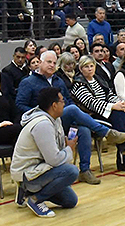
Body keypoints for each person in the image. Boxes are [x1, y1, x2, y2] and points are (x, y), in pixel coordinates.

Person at [16, 51, 125, 185]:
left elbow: (68, 100)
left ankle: (85, 170)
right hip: (42, 124)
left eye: (54, 62)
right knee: (74, 110)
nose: (52, 65)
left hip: (61, 122)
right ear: (40, 63)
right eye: (48, 62)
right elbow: (20, 105)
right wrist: (43, 114)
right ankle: (106, 132)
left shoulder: (58, 81)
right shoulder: (28, 82)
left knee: (83, 130)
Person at [10, 87, 79, 218]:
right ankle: (35, 199)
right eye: (62, 101)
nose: (64, 104)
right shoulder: (43, 124)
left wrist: (65, 146)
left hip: (42, 169)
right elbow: (53, 160)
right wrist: (69, 149)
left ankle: (25, 192)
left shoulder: (55, 119)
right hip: (29, 173)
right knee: (72, 171)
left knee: (70, 201)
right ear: (54, 105)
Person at [71, 55, 125, 171]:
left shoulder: (98, 79)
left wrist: (120, 103)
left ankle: (124, 149)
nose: (90, 69)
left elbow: (109, 94)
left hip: (108, 112)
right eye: (86, 67)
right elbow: (91, 103)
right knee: (119, 116)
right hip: (91, 116)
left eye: (91, 66)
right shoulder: (78, 84)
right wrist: (113, 106)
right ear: (80, 69)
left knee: (122, 113)